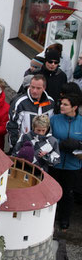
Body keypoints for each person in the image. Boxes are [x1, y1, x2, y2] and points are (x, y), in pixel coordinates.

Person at [49, 93, 82, 230]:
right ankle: (51, 216)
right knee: (53, 191)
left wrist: (78, 144)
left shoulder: (81, 122)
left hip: (73, 165)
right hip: (55, 163)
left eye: (65, 104)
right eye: (61, 103)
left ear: (74, 107)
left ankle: (64, 218)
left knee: (68, 193)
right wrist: (60, 145)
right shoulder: (54, 119)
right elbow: (47, 137)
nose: (61, 106)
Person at [6, 74, 54, 151]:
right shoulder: (20, 103)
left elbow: (50, 126)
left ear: (44, 88)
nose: (34, 91)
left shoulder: (50, 102)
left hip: (42, 150)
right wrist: (15, 147)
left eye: (38, 88)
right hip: (23, 148)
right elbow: (12, 126)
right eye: (32, 87)